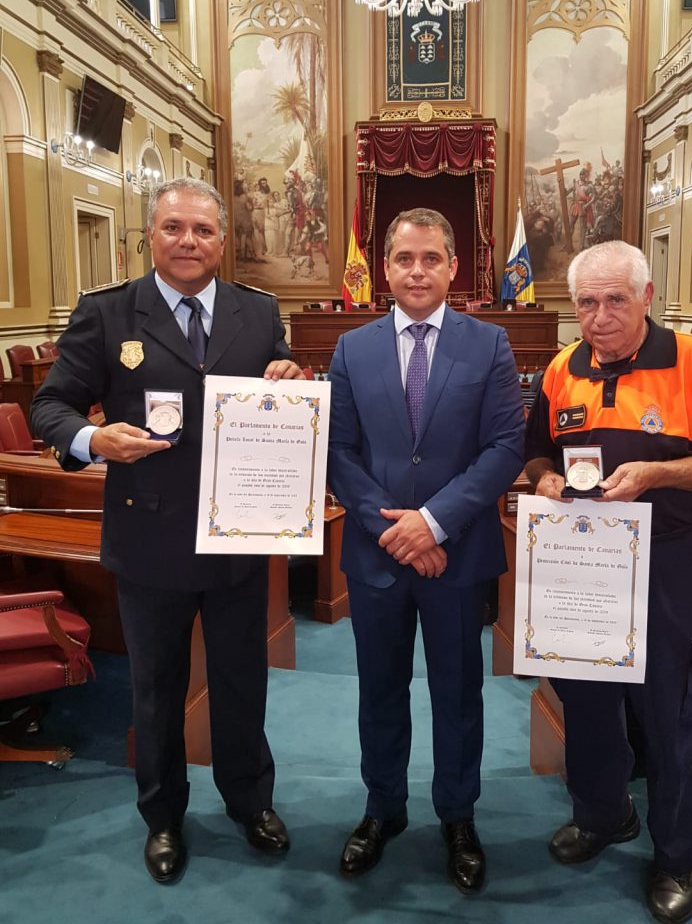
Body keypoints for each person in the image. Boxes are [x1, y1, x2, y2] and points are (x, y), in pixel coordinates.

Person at [31, 177, 303, 884]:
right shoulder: (108, 313)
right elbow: (50, 406)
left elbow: (271, 398)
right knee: (155, 691)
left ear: (221, 240)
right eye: (174, 227)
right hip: (149, 540)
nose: (189, 241)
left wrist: (286, 375)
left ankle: (251, 802)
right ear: (150, 234)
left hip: (239, 535)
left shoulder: (258, 311)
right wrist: (93, 441)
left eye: (203, 230)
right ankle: (164, 817)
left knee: (243, 682)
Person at [524, 240, 692, 924]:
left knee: (673, 711)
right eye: (586, 303)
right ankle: (603, 816)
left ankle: (677, 854)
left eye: (615, 300)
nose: (599, 317)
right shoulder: (562, 369)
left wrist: (659, 474)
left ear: (647, 296)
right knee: (588, 698)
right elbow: (537, 446)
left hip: (670, 560)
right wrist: (541, 475)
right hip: (585, 558)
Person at [328, 208, 525, 893]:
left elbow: (506, 447)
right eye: (404, 258)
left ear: (452, 267)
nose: (417, 271)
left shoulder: (490, 345)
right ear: (384, 267)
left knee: (458, 693)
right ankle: (382, 809)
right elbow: (339, 452)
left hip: (458, 557)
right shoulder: (351, 349)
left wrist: (434, 524)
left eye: (431, 259)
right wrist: (398, 532)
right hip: (378, 558)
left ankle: (458, 816)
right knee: (379, 693)